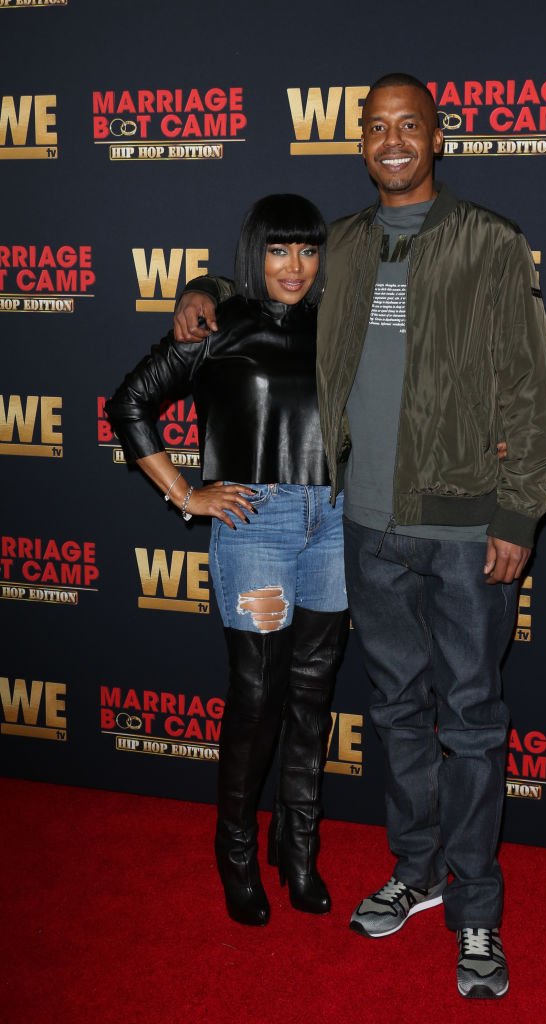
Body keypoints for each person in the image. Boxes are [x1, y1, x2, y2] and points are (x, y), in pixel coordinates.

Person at [175, 73, 546, 999]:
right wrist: (206, 286)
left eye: (408, 126)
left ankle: (476, 915)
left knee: (468, 721)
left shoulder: (489, 243)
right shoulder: (342, 245)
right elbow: (278, 285)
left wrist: (516, 512)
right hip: (364, 524)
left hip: (466, 525)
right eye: (375, 127)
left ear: (439, 136)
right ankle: (417, 869)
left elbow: (532, 388)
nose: (391, 140)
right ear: (361, 141)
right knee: (394, 712)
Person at [107, 194, 349, 928]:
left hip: (334, 523)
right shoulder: (218, 322)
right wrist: (186, 492)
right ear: (255, 254)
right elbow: (130, 403)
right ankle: (235, 850)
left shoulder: (337, 325)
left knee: (313, 696)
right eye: (279, 250)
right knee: (256, 698)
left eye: (307, 250)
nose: (295, 266)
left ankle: (297, 849)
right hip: (256, 527)